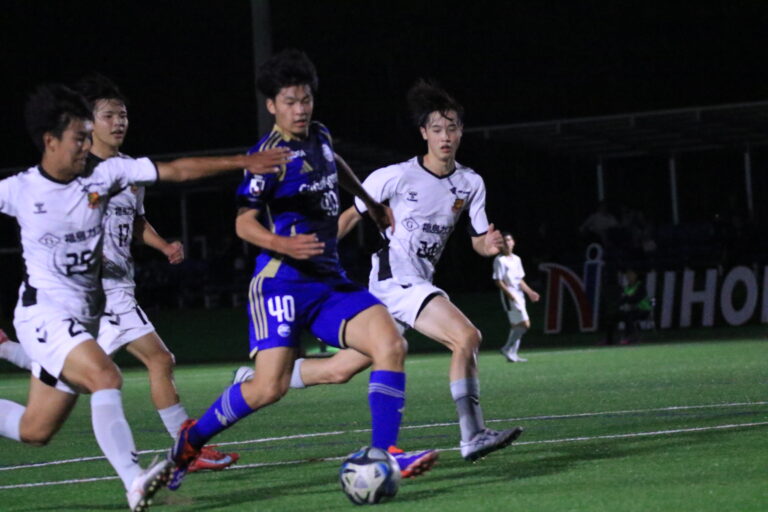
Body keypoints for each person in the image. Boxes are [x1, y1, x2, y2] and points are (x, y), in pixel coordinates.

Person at [0, 83, 288, 512]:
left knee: (34, 430)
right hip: (44, 313)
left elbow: (178, 170)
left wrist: (243, 162)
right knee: (107, 376)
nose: (86, 146)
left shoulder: (107, 175)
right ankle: (135, 481)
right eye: (78, 138)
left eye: (87, 136)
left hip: (87, 315)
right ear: (50, 141)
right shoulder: (19, 190)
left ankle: (12, 353)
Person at [167, 49, 437, 490]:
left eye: (306, 99)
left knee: (390, 342)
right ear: (272, 105)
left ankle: (385, 452)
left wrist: (369, 202)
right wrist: (283, 243)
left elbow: (335, 164)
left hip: (328, 280)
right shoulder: (267, 157)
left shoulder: (320, 135)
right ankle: (190, 440)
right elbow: (243, 223)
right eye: (290, 102)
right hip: (281, 284)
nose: (300, 109)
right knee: (267, 389)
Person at [235, 79, 524, 462]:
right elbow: (346, 218)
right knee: (466, 337)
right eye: (437, 128)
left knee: (340, 369)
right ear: (423, 133)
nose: (445, 136)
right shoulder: (396, 176)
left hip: (418, 281)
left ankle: (256, 381)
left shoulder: (470, 182)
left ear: (461, 132)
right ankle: (473, 435)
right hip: (394, 278)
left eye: (452, 128)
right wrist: (310, 259)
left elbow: (478, 241)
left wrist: (492, 245)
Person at [494, 232, 540, 362]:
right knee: (525, 324)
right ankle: (507, 348)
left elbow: (519, 280)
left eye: (509, 240)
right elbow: (498, 281)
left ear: (513, 242)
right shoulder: (499, 260)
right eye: (504, 241)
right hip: (510, 296)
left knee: (516, 326)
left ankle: (512, 354)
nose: (507, 243)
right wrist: (511, 296)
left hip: (519, 295)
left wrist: (530, 292)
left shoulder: (516, 259)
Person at [602, 268, 653, 345]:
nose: (628, 276)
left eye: (630, 274)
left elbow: (636, 299)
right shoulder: (627, 287)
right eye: (627, 274)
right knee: (611, 316)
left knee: (628, 315)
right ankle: (609, 340)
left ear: (635, 275)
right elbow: (621, 300)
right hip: (630, 311)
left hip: (643, 311)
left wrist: (626, 299)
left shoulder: (640, 286)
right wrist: (619, 303)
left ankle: (630, 337)